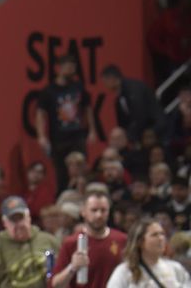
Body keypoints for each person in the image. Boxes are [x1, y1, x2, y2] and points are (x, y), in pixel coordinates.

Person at [36, 54, 97, 192]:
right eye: (68, 66)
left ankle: (82, 194)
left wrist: (92, 130)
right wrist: (41, 136)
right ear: (59, 68)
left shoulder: (79, 87)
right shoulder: (49, 91)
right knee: (62, 173)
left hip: (77, 136)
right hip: (58, 138)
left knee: (81, 168)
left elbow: (88, 109)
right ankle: (64, 197)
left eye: (73, 66)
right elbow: (40, 114)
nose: (71, 69)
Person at [51, 189, 127, 288]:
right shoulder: (71, 243)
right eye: (94, 210)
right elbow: (55, 284)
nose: (99, 215)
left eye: (103, 210)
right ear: (83, 212)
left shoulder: (122, 240)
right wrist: (72, 267)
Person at [0, 196, 60, 288]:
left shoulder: (49, 241)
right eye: (13, 220)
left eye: (21, 218)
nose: (19, 224)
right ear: (4, 222)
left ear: (28, 217)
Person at [107, 218, 191, 288]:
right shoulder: (124, 271)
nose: (161, 238)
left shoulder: (175, 268)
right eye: (154, 235)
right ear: (140, 241)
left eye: (162, 234)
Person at [100, 65, 166, 145]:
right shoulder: (120, 96)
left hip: (155, 129)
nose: (105, 85)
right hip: (142, 132)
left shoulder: (134, 89)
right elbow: (123, 122)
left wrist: (129, 136)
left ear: (112, 78)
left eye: (105, 82)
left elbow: (140, 115)